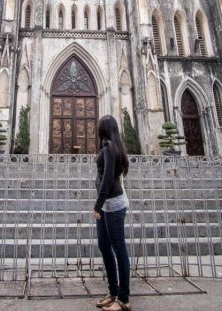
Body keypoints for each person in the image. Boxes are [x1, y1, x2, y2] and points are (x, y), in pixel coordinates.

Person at [93, 115, 131, 311]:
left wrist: (97, 205)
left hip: (113, 204)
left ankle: (123, 299)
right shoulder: (112, 147)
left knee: (118, 249)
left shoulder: (109, 148)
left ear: (104, 129)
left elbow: (108, 178)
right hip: (108, 204)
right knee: (104, 245)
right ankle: (113, 291)